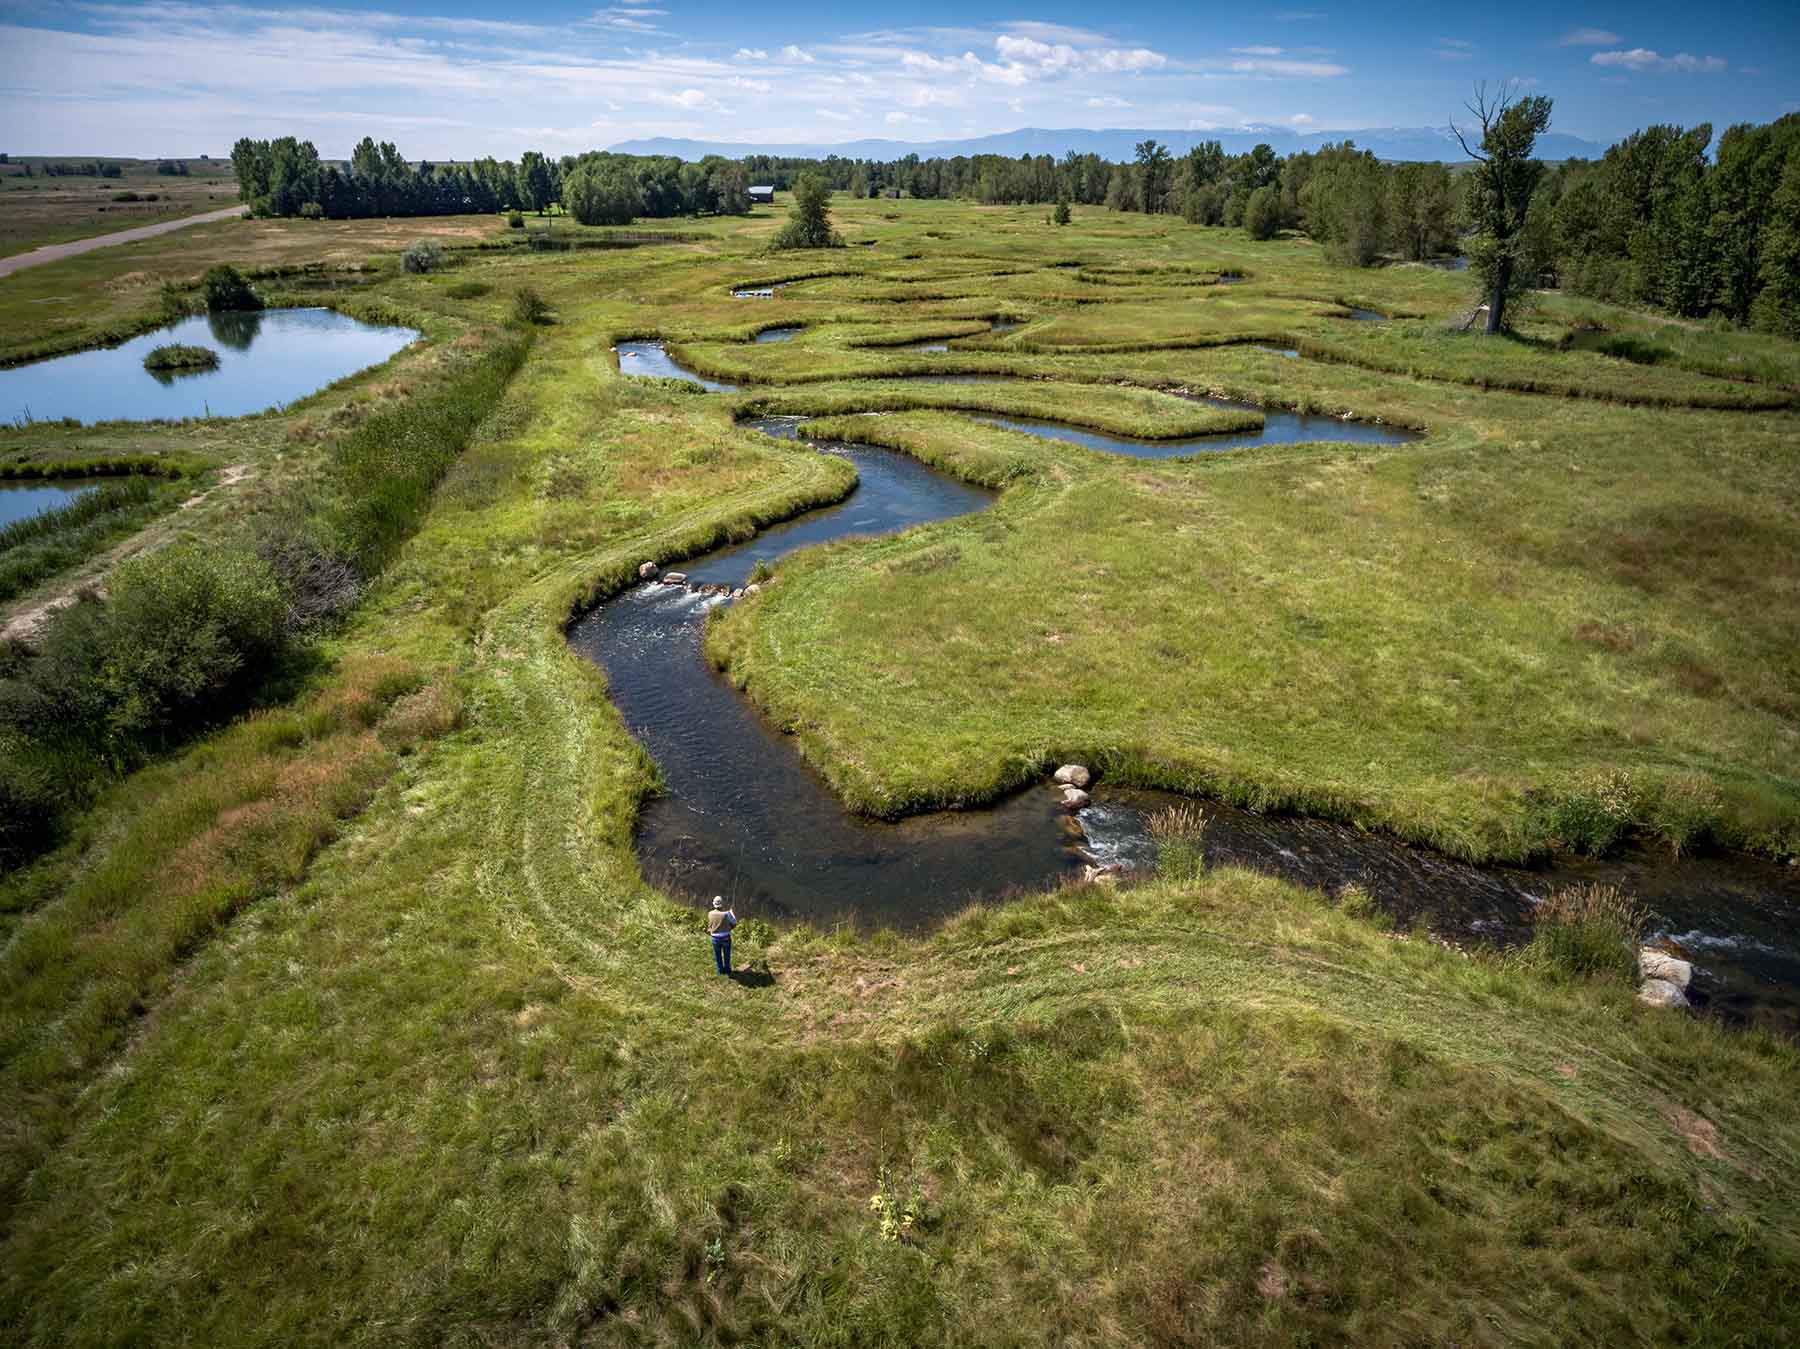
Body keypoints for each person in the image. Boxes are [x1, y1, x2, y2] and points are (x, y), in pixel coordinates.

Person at [706, 896, 738, 975]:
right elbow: (734, 923)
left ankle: (720, 970)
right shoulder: (726, 914)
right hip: (726, 938)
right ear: (722, 905)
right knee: (726, 955)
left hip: (714, 938)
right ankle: (727, 970)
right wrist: (732, 913)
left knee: (717, 955)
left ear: (714, 904)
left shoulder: (710, 913)